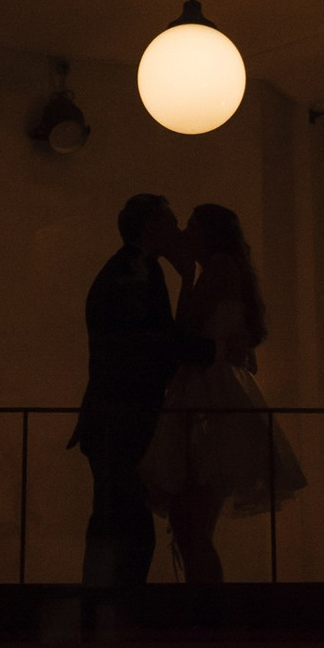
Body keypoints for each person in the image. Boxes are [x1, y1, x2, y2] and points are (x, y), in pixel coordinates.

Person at [141, 202, 307, 586]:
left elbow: (185, 333)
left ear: (207, 234)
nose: (184, 234)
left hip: (208, 391)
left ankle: (207, 608)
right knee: (192, 523)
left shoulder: (217, 270)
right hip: (212, 387)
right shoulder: (226, 271)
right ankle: (205, 605)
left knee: (192, 524)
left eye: (191, 228)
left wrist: (183, 276)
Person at [70, 192, 207, 596]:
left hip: (113, 416)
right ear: (151, 227)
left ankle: (105, 609)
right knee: (127, 520)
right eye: (170, 223)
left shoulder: (130, 267)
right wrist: (214, 351)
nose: (178, 231)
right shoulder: (138, 270)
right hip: (123, 417)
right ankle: (116, 609)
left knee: (116, 517)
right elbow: (154, 341)